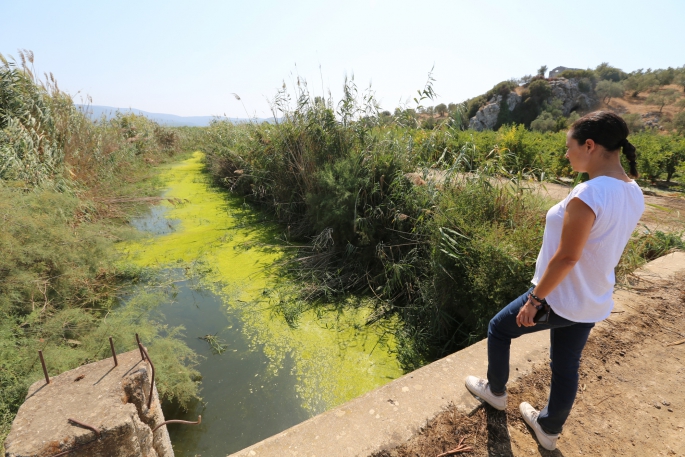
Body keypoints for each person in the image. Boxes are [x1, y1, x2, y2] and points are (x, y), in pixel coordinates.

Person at [464, 111, 645, 451]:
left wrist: (535, 299)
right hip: (593, 299)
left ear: (589, 146)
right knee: (566, 366)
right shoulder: (633, 190)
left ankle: (496, 392)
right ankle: (549, 428)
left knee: (499, 329)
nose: (566, 154)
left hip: (560, 298)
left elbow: (567, 257)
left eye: (569, 146)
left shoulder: (589, 193)